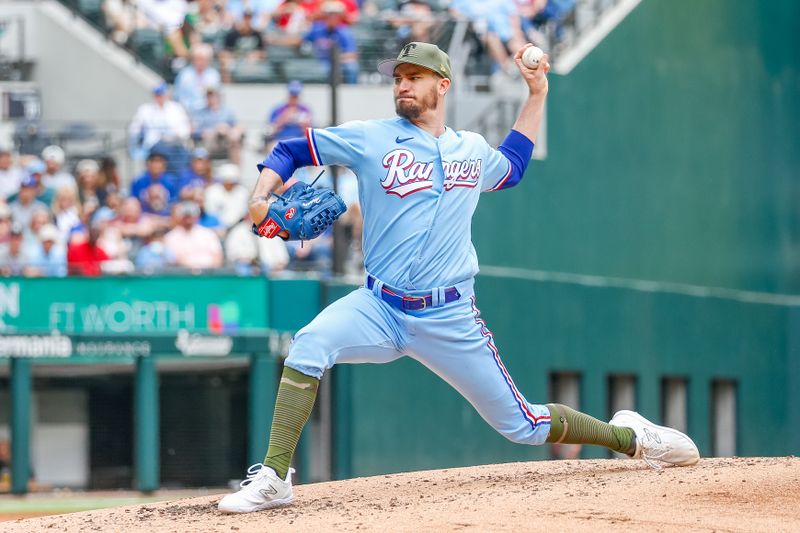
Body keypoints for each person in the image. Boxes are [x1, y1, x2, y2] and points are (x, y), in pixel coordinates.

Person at [218, 42, 700, 514]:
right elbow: (290, 148)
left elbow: (511, 168)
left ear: (442, 85)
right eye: (398, 78)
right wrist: (261, 193)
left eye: (415, 77)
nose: (403, 86)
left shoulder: (470, 149)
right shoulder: (371, 137)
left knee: (522, 424)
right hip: (378, 306)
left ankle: (631, 437)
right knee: (308, 344)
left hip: (449, 315)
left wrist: (537, 95)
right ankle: (275, 477)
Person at [173, 44, 223, 116]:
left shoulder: (214, 75)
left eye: (204, 59)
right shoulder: (184, 75)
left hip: (209, 113)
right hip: (187, 112)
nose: (200, 62)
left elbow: (217, 95)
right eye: (197, 59)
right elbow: (179, 97)